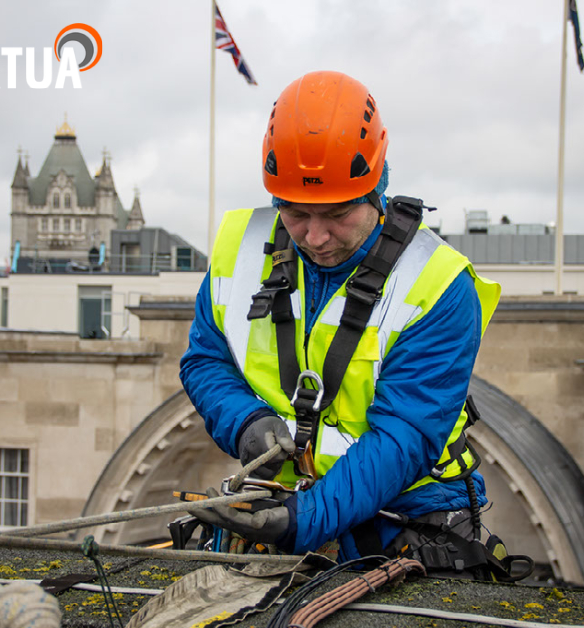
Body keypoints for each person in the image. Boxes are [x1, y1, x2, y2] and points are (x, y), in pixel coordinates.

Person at [180, 70, 513, 578]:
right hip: (285, 503)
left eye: (336, 213)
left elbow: (405, 435)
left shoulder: (441, 285)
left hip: (409, 521)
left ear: (376, 188)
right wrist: (244, 421)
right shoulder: (237, 250)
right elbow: (206, 359)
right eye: (294, 213)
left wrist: (306, 519)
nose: (314, 237)